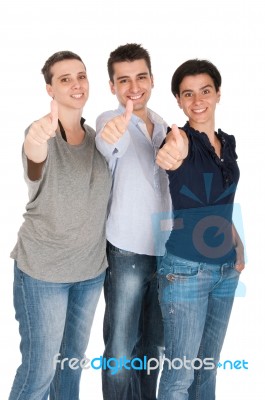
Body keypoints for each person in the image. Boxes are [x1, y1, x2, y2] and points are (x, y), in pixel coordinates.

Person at [9, 50, 112, 400]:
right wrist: (35, 141)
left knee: (70, 367)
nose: (76, 84)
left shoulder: (98, 140)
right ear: (50, 89)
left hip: (90, 272)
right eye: (64, 79)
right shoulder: (41, 133)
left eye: (81, 76)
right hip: (44, 274)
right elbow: (34, 159)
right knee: (39, 370)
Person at [155, 59, 245, 400]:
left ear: (218, 94)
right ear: (178, 100)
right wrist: (169, 154)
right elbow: (169, 157)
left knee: (207, 368)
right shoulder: (179, 140)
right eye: (187, 93)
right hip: (186, 271)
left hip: (225, 270)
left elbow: (221, 201)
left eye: (205, 91)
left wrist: (238, 244)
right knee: (180, 376)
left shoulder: (228, 145)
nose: (197, 100)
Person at [95, 43, 172, 400]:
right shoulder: (109, 122)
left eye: (140, 77)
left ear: (152, 79)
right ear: (112, 86)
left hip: (166, 253)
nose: (133, 86)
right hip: (126, 251)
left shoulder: (165, 127)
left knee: (153, 349)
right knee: (122, 350)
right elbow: (109, 141)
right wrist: (113, 133)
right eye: (123, 80)